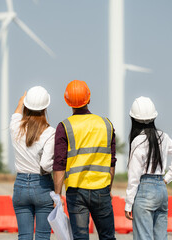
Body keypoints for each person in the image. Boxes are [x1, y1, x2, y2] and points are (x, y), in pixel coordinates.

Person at [53, 80, 117, 240]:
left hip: (76, 191)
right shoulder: (106, 124)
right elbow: (111, 162)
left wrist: (57, 194)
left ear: (68, 102)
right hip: (101, 188)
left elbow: (59, 164)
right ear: (88, 98)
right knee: (107, 237)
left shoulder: (64, 126)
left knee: (80, 237)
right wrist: (109, 188)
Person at [124, 96, 172, 240]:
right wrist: (167, 178)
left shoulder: (138, 141)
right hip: (161, 190)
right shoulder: (163, 137)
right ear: (154, 117)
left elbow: (134, 177)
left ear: (133, 119)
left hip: (144, 191)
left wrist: (128, 204)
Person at [10, 86, 55, 240]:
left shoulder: (15, 126)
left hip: (20, 186)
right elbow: (46, 165)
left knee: (24, 236)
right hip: (42, 185)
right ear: (45, 107)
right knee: (43, 236)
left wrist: (21, 102)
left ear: (26, 105)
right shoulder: (50, 132)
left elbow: (16, 114)